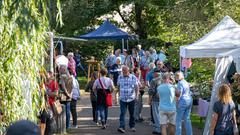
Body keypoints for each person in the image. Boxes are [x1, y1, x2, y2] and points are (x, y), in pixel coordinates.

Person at [117, 66, 139, 133]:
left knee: (132, 113)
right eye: (123, 71)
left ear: (128, 71)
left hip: (131, 98)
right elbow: (118, 86)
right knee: (122, 113)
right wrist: (118, 95)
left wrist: (137, 96)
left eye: (125, 71)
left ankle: (132, 126)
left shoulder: (133, 77)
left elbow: (136, 87)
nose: (123, 72)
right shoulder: (120, 77)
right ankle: (122, 127)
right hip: (122, 99)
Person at [59, 65, 73, 129]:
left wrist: (67, 94)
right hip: (69, 95)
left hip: (63, 95)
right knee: (67, 111)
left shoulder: (62, 76)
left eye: (60, 69)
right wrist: (70, 94)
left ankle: (63, 126)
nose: (59, 70)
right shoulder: (70, 76)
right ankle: (67, 125)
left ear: (64, 70)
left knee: (61, 110)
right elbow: (72, 87)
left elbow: (63, 87)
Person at [148, 69, 162, 135]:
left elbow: (151, 91)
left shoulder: (153, 80)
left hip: (155, 100)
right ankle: (162, 128)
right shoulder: (163, 80)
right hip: (163, 100)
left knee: (156, 114)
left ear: (155, 73)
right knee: (161, 115)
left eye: (153, 73)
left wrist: (149, 100)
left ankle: (158, 129)